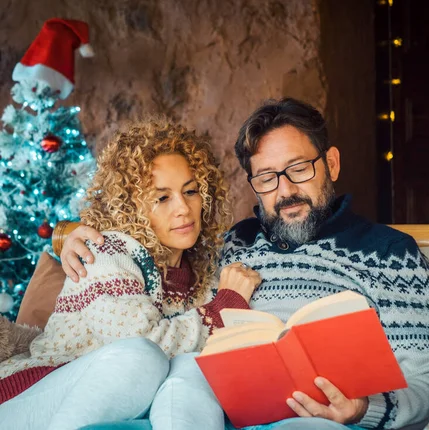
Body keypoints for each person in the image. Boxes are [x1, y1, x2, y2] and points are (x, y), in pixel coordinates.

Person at [59, 98, 429, 429]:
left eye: (299, 169)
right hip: (216, 409)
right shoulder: (230, 243)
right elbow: (153, 256)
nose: (285, 190)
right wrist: (76, 236)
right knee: (185, 375)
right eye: (266, 177)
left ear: (330, 164)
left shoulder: (391, 254)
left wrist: (364, 410)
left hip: (317, 417)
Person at [0, 120, 261, 430]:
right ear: (130, 207)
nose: (183, 209)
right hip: (33, 393)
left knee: (192, 366)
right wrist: (221, 309)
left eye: (190, 191)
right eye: (162, 198)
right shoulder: (104, 252)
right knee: (141, 356)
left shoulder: (204, 274)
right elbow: (142, 342)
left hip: (122, 397)